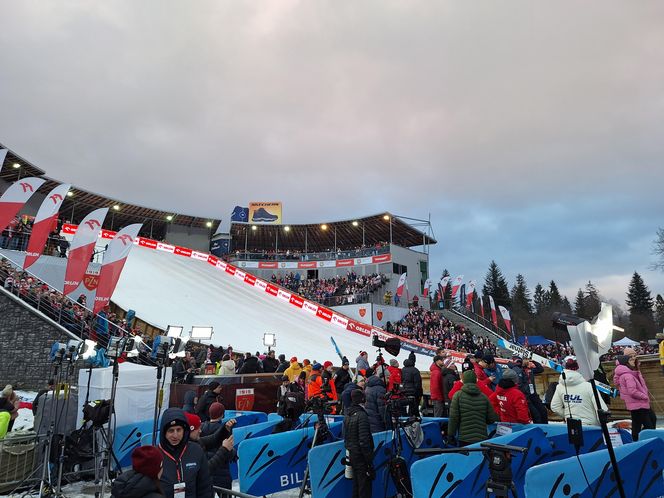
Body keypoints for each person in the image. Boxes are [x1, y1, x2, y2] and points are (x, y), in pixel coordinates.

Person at [158, 408, 212, 498]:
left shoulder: (196, 450)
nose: (175, 435)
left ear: (185, 430)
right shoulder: (155, 455)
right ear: (164, 432)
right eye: (171, 430)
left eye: (179, 430)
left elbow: (205, 486)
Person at [447, 370, 499, 446]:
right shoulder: (484, 397)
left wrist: (450, 435)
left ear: (463, 381)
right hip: (481, 437)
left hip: (464, 437)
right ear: (475, 381)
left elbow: (454, 418)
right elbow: (491, 419)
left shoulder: (458, 396)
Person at [550, 357, 607, 426]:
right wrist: (600, 424)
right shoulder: (589, 386)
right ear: (578, 368)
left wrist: (567, 415)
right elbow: (602, 408)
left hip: (571, 425)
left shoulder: (560, 387)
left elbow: (555, 407)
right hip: (590, 426)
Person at [614, 355, 657, 441]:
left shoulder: (629, 373)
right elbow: (632, 391)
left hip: (638, 404)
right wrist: (644, 396)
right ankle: (645, 440)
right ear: (626, 363)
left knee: (638, 424)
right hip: (638, 404)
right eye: (630, 360)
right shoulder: (628, 375)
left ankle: (637, 440)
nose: (633, 361)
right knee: (649, 426)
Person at [198, 407, 236, 498]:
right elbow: (229, 453)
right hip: (222, 472)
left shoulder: (202, 427)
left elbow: (214, 438)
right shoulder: (223, 430)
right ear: (222, 414)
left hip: (207, 475)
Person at [343, 389, 375, 498]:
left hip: (353, 454)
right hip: (361, 455)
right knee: (364, 486)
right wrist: (369, 459)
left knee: (356, 484)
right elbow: (364, 440)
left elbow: (345, 437)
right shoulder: (362, 415)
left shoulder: (348, 414)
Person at [510, 356, 547, 424]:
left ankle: (546, 427)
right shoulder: (520, 371)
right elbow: (520, 385)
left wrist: (534, 361)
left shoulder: (531, 370)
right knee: (536, 415)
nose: (532, 364)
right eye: (529, 362)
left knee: (543, 411)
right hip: (527, 396)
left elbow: (540, 369)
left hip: (533, 395)